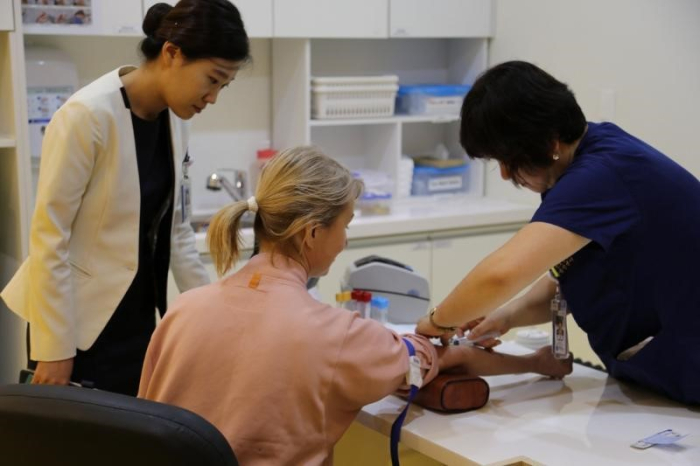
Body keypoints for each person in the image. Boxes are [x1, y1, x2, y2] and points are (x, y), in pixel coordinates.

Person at [138, 146, 573, 464]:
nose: (345, 239)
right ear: (311, 234)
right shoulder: (332, 334)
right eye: (344, 225)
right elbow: (425, 359)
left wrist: (535, 362)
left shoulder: (182, 312)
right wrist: (532, 362)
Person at [1, 0, 250, 395]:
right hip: (77, 327)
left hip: (140, 321)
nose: (213, 97)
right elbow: (50, 239)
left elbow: (178, 231)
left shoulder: (175, 117)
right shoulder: (87, 115)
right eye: (212, 79)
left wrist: (211, 316)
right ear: (172, 53)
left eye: (223, 85)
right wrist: (55, 349)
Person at [415, 60, 700, 405]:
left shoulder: (600, 175)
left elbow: (500, 275)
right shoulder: (592, 155)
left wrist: (437, 322)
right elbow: (569, 273)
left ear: (549, 141)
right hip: (657, 370)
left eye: (509, 159)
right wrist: (506, 317)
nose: (505, 174)